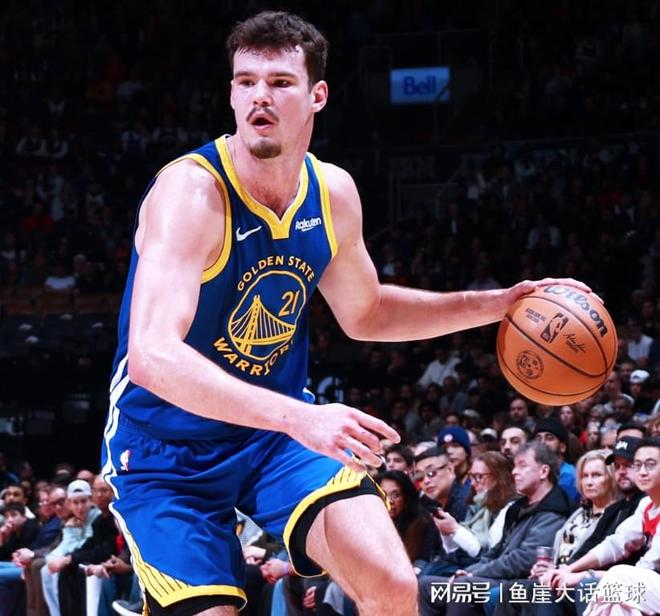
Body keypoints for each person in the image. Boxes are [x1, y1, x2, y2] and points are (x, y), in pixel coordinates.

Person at [100, 10, 590, 616]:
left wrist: (494, 304)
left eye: (280, 82)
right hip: (166, 451)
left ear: (317, 96)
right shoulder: (191, 194)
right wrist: (301, 417)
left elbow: (368, 311)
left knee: (392, 584)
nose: (259, 96)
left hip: (273, 437)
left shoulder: (331, 192)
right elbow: (152, 357)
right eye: (246, 82)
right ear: (230, 93)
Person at [418, 442, 573, 615]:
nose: (515, 472)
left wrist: (474, 574)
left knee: (463, 587)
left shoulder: (553, 511)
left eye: (522, 466)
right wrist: (469, 571)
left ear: (544, 471)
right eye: (515, 466)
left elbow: (523, 559)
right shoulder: (518, 507)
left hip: (518, 582)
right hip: (496, 577)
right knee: (426, 585)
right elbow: (494, 552)